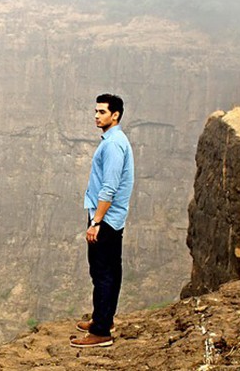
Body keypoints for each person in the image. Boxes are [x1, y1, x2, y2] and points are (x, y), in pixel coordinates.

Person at [70, 93, 134, 348]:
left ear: (115, 115)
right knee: (109, 271)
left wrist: (96, 222)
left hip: (105, 217)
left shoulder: (113, 145)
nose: (96, 116)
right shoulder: (114, 140)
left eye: (102, 112)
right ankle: (103, 319)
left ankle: (100, 332)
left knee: (102, 272)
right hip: (110, 217)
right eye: (96, 111)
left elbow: (109, 187)